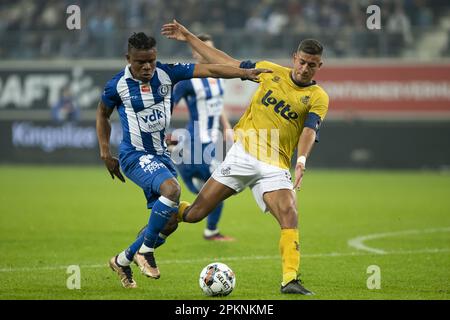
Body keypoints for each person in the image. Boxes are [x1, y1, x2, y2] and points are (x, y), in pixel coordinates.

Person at [161, 20, 329, 295]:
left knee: (289, 213)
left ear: (319, 67)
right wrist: (189, 36)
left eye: (312, 65)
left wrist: (301, 161)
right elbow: (227, 62)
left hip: (274, 164)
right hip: (242, 154)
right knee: (195, 215)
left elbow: (309, 130)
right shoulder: (269, 71)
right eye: (302, 62)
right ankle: (167, 214)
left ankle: (290, 279)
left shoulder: (318, 96)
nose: (305, 68)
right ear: (294, 59)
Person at [96, 31, 271, 288]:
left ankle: (122, 260)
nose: (147, 67)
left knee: (169, 222)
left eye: (151, 61)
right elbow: (102, 114)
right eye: (140, 62)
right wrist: (104, 152)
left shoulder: (168, 73)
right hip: (134, 155)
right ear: (128, 58)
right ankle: (145, 252)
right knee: (172, 189)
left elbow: (210, 70)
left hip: (161, 156)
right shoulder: (116, 85)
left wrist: (243, 74)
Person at [171, 33, 235, 241]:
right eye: (203, 48)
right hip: (197, 142)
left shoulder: (220, 76)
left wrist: (226, 126)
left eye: (211, 48)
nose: (209, 53)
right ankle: (208, 230)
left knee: (216, 188)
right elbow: (169, 104)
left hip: (212, 141)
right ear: (194, 52)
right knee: (219, 188)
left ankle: (188, 212)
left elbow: (218, 105)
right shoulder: (188, 79)